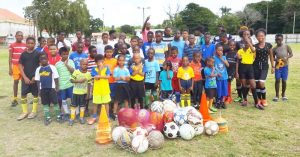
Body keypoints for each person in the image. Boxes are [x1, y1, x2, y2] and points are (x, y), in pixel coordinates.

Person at [17, 37, 40, 120]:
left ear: (35, 44)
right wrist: (24, 77)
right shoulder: (23, 54)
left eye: (32, 43)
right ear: (26, 44)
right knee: (23, 94)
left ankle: (34, 111)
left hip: (34, 78)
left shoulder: (37, 53)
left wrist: (35, 76)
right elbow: (19, 65)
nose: (30, 45)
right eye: (29, 43)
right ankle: (25, 111)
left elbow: (40, 65)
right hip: (25, 78)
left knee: (35, 94)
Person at [35, 53, 61, 125]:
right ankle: (47, 117)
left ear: (47, 59)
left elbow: (56, 78)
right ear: (39, 60)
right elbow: (37, 80)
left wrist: (57, 87)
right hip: (43, 89)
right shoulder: (38, 69)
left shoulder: (52, 67)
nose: (43, 60)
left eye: (45, 59)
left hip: (52, 89)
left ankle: (58, 116)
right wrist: (39, 90)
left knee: (55, 102)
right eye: (41, 59)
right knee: (45, 103)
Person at [236, 38, 262, 110]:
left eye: (248, 43)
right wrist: (237, 72)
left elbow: (253, 50)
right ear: (243, 43)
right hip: (242, 68)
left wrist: (249, 42)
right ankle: (245, 100)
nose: (247, 44)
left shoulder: (252, 49)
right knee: (244, 85)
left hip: (250, 68)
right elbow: (238, 61)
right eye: (246, 42)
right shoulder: (240, 51)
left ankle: (256, 102)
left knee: (253, 85)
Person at [253, 29, 275, 107]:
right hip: (255, 66)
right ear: (256, 37)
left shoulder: (269, 45)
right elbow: (253, 56)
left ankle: (264, 99)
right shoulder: (254, 46)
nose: (260, 37)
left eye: (262, 35)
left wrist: (273, 66)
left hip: (264, 66)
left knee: (261, 82)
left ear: (265, 36)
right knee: (257, 84)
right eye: (258, 36)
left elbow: (271, 56)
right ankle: (259, 99)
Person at [88, 54, 111, 124]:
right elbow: (96, 77)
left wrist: (100, 76)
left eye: (101, 61)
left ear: (104, 61)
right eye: (98, 62)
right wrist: (100, 70)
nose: (100, 63)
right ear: (96, 63)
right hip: (97, 89)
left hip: (105, 89)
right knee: (95, 103)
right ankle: (94, 116)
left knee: (106, 103)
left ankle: (107, 116)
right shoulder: (93, 69)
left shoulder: (107, 68)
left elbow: (108, 77)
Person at [70, 59, 92, 125]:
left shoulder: (88, 74)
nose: (84, 66)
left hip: (83, 93)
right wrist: (78, 81)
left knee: (82, 106)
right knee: (73, 105)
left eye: (86, 64)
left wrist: (88, 94)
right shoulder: (76, 72)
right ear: (80, 64)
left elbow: (89, 84)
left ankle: (81, 117)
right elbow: (71, 80)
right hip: (75, 92)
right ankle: (72, 118)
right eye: (83, 64)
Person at [55, 47, 75, 121]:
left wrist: (66, 65)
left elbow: (73, 71)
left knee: (72, 99)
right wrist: (57, 86)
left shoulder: (71, 62)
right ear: (60, 55)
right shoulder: (57, 64)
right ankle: (66, 113)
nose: (65, 56)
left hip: (70, 84)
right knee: (63, 99)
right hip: (62, 86)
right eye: (64, 54)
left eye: (67, 54)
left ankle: (73, 111)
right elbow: (56, 76)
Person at [272, 34, 293, 102]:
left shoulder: (286, 46)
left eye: (280, 39)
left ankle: (283, 95)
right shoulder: (274, 48)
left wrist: (286, 57)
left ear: (282, 39)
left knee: (284, 81)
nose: (278, 41)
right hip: (278, 67)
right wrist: (276, 60)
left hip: (285, 66)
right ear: (275, 40)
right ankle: (277, 95)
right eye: (277, 39)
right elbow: (272, 57)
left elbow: (291, 54)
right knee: (277, 80)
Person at [8, 31, 27, 107]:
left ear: (23, 37)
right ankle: (15, 98)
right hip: (15, 66)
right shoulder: (12, 45)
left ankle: (24, 97)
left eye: (21, 35)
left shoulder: (25, 45)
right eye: (18, 35)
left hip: (23, 66)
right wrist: (10, 68)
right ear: (15, 36)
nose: (20, 37)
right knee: (16, 81)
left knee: (24, 82)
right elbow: (10, 57)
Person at [103, 45, 117, 112]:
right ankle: (106, 110)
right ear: (104, 52)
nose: (109, 53)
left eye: (110, 52)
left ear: (113, 52)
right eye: (107, 52)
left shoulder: (115, 60)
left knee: (113, 96)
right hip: (105, 82)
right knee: (106, 96)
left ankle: (112, 109)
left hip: (113, 82)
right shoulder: (103, 61)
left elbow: (117, 70)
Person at [226, 40, 238, 104]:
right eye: (230, 45)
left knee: (228, 83)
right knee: (226, 83)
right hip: (226, 70)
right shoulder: (226, 53)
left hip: (232, 70)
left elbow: (237, 63)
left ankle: (229, 97)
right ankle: (226, 96)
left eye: (233, 45)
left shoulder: (236, 53)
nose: (232, 46)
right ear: (228, 45)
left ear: (235, 46)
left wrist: (236, 72)